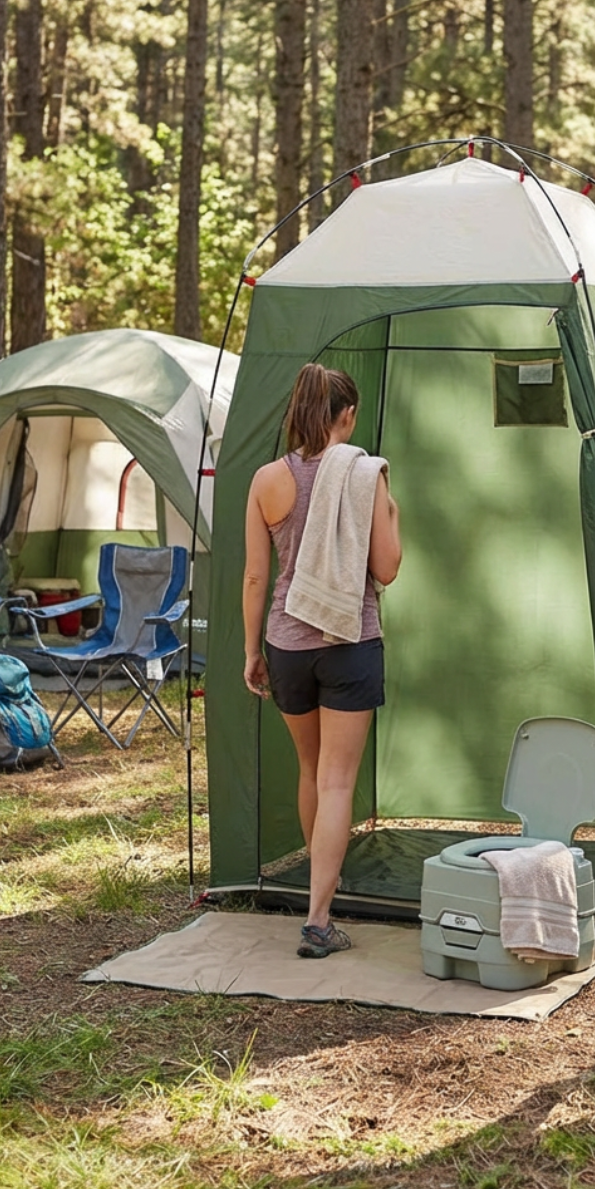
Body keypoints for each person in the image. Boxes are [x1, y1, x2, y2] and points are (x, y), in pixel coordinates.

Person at [243, 363, 402, 958]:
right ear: (346, 416)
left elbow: (257, 573)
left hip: (287, 644)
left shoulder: (266, 480)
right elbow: (386, 568)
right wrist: (391, 512)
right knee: (339, 782)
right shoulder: (367, 474)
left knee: (312, 772)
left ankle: (320, 892)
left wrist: (251, 650)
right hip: (349, 642)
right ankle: (318, 918)